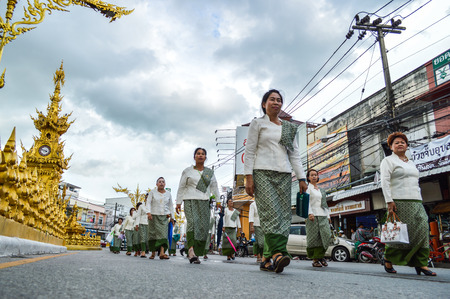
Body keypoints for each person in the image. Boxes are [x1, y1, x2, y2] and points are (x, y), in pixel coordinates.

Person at [244, 89, 307, 273]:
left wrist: (302, 178)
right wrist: (248, 177)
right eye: (272, 99)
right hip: (262, 172)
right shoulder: (257, 123)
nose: (276, 102)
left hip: (284, 174)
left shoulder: (288, 127)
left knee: (283, 216)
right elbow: (249, 151)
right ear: (264, 104)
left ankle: (265, 259)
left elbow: (294, 155)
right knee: (271, 213)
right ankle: (278, 254)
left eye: (279, 100)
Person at [380, 132, 436, 276]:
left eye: (402, 142)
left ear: (407, 146)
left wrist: (420, 199)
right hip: (399, 201)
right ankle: (388, 258)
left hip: (416, 201)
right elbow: (384, 182)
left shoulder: (410, 163)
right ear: (391, 147)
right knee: (400, 233)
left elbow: (415, 183)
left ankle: (421, 263)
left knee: (422, 229)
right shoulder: (388, 161)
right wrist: (389, 201)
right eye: (396, 142)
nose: (400, 144)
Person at [176, 147, 221, 264]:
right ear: (194, 156)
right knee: (192, 223)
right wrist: (178, 202)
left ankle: (196, 251)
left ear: (205, 157)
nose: (200, 155)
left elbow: (214, 187)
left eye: (202, 154)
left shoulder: (209, 173)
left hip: (204, 201)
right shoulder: (187, 171)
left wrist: (219, 201)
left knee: (202, 227)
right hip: (189, 200)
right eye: (198, 153)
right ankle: (190, 250)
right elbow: (181, 187)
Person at [305, 169, 331, 267]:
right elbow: (306, 202)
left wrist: (328, 216)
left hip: (323, 215)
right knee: (314, 238)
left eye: (315, 175)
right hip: (313, 216)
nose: (314, 176)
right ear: (308, 178)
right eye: (312, 175)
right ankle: (315, 259)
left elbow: (325, 204)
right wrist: (309, 213)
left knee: (326, 236)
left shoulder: (321, 190)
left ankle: (321, 256)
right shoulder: (308, 189)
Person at [147, 177, 174, 260]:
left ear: (165, 184)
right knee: (153, 234)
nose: (161, 183)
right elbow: (148, 202)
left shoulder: (168, 194)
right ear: (156, 184)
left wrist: (172, 217)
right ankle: (153, 253)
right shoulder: (152, 192)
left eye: (163, 182)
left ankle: (162, 253)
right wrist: (148, 212)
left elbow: (171, 206)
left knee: (163, 235)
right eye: (159, 182)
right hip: (153, 216)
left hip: (164, 217)